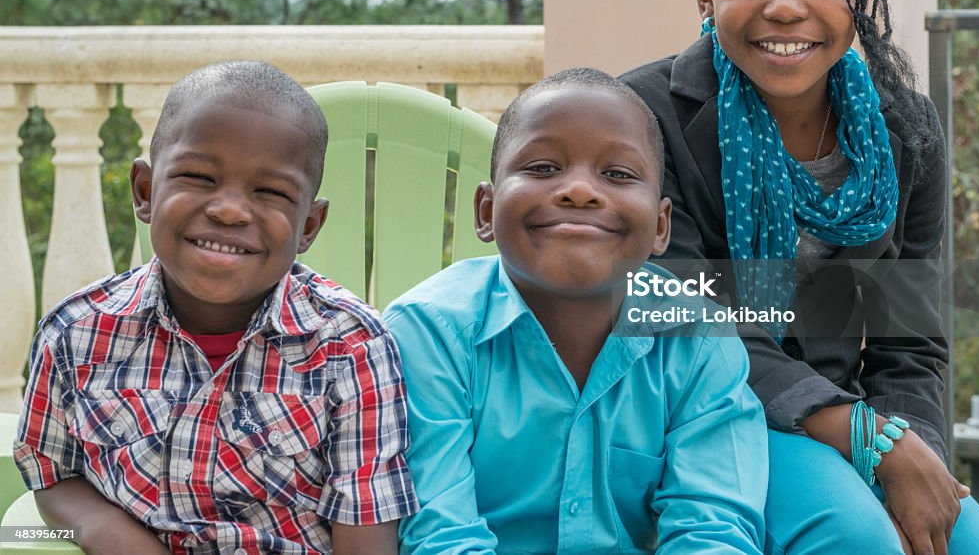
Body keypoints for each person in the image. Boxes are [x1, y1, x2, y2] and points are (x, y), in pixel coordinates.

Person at [621, 0, 979, 555]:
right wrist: (867, 440)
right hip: (703, 417)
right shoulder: (642, 118)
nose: (785, 6)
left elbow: (909, 343)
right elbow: (685, 316)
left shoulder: (904, 131)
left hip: (847, 425)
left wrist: (909, 451)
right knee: (857, 537)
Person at [14, 61, 418, 555]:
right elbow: (51, 470)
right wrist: (105, 531)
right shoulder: (75, 333)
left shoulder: (350, 346)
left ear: (309, 225)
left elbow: (366, 531)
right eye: (199, 177)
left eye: (270, 191)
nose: (229, 209)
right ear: (144, 191)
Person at [383, 68, 768, 555]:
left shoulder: (700, 340)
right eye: (543, 168)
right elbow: (440, 536)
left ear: (661, 227)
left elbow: (713, 531)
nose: (580, 190)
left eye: (618, 174)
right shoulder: (428, 333)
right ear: (485, 211)